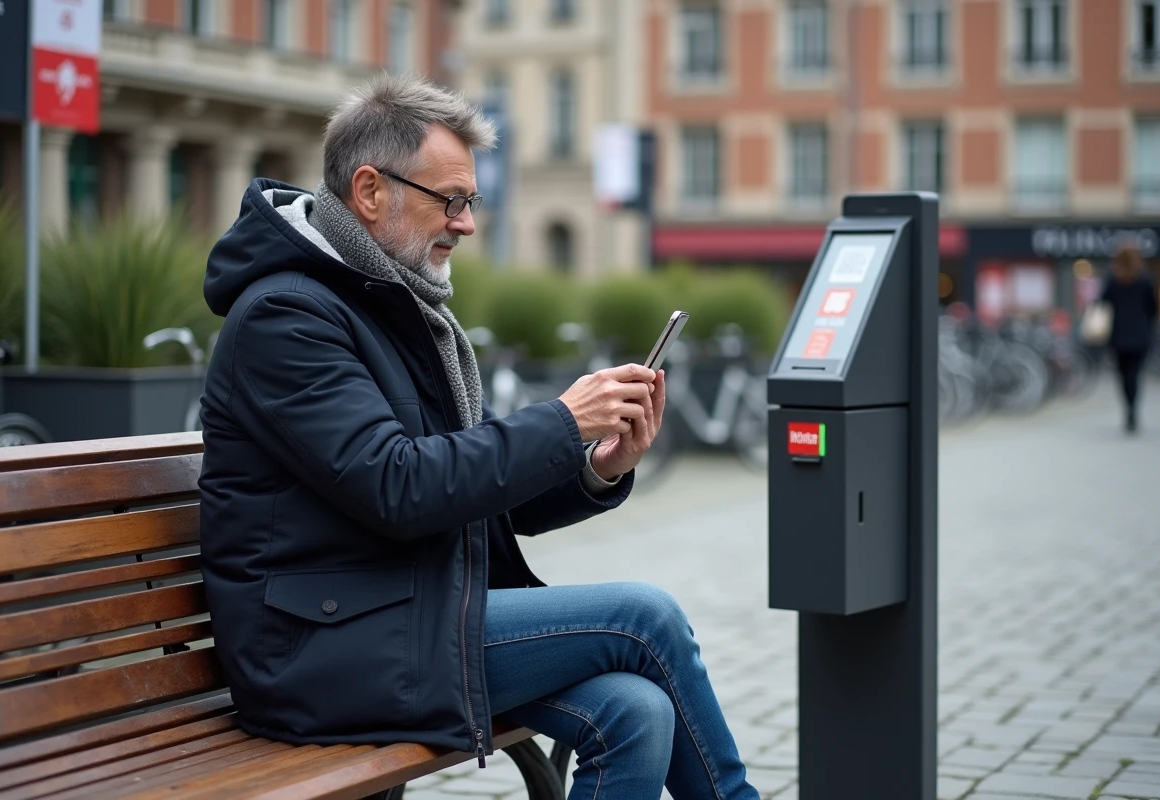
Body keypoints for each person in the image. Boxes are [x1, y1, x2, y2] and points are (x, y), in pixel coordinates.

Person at [197, 74, 759, 799]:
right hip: (319, 650)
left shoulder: (389, 302)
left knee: (638, 710)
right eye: (450, 200)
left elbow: (469, 490)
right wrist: (562, 420)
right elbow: (399, 486)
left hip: (401, 616)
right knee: (644, 616)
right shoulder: (287, 317)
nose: (465, 223)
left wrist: (594, 466)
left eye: (472, 201)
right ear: (370, 192)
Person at [1100, 244, 1158, 433]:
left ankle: (1128, 408)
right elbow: (1153, 308)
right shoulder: (1145, 280)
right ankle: (1133, 409)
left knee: (1123, 375)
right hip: (1140, 335)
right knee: (1135, 375)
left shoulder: (1113, 280)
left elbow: (1103, 303)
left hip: (1118, 336)